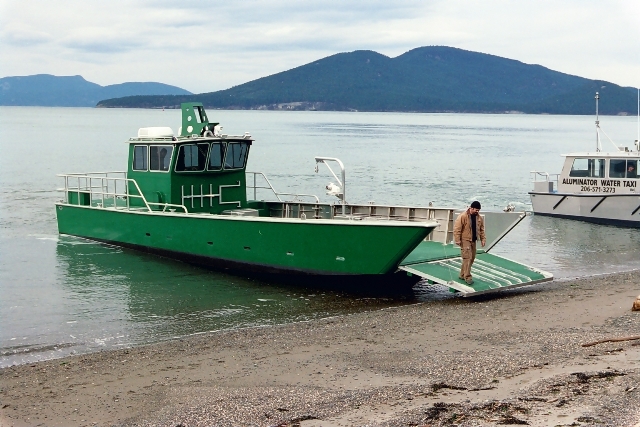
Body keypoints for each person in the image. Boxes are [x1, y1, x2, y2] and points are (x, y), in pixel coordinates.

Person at [453, 201, 486, 285]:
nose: (477, 212)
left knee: (472, 258)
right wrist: (457, 239)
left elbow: (482, 230)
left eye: (478, 210)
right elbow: (457, 229)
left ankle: (462, 274)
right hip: (465, 240)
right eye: (476, 210)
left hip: (473, 240)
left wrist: (483, 239)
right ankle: (467, 277)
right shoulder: (463, 216)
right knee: (467, 258)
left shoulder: (479, 218)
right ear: (471, 208)